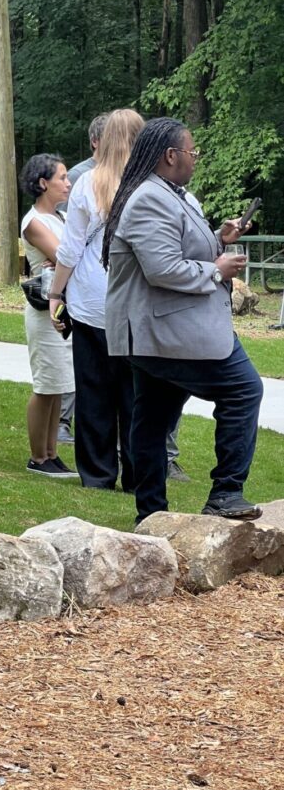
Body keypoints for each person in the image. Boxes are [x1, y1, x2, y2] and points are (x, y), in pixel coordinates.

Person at [102, 117, 263, 525]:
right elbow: (163, 269)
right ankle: (226, 492)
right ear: (171, 155)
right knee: (244, 390)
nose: (196, 159)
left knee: (153, 417)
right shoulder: (149, 199)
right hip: (166, 330)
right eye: (193, 152)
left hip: (162, 333)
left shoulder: (175, 195)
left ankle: (151, 514)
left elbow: (181, 245)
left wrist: (218, 239)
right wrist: (217, 270)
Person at [50, 109, 145, 491]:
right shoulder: (152, 184)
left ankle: (98, 474)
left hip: (91, 298)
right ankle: (139, 474)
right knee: (136, 396)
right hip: (136, 300)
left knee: (93, 391)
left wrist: (56, 291)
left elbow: (71, 247)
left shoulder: (88, 182)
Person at [19, 154, 78, 478]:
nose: (68, 183)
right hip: (44, 314)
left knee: (60, 384)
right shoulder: (34, 223)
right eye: (62, 177)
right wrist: (65, 260)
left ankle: (52, 453)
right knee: (45, 385)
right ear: (43, 183)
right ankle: (37, 458)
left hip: (62, 309)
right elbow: (65, 255)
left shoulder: (62, 218)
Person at [56, 112, 109, 445]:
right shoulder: (81, 178)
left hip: (115, 293)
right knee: (88, 373)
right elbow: (69, 238)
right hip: (85, 288)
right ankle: (64, 424)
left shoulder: (139, 176)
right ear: (95, 142)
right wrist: (56, 291)